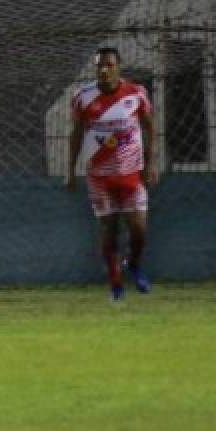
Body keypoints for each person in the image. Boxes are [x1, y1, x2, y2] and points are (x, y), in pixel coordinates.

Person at [66, 46, 158, 302]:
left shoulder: (136, 94)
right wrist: (70, 171)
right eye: (99, 66)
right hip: (100, 177)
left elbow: (150, 128)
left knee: (139, 229)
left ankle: (135, 265)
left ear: (118, 67)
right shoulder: (83, 97)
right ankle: (115, 283)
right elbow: (75, 135)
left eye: (109, 65)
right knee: (109, 229)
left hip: (131, 174)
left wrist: (150, 164)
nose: (104, 70)